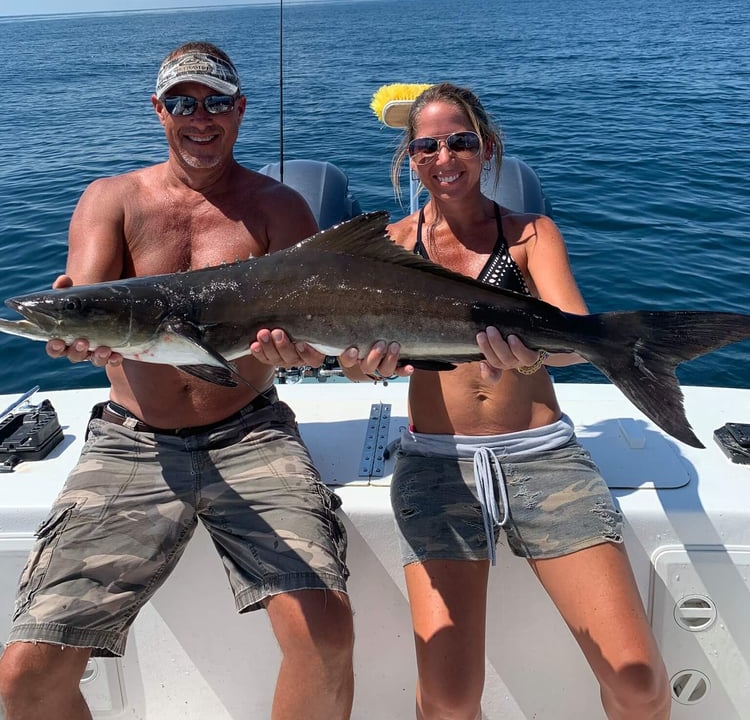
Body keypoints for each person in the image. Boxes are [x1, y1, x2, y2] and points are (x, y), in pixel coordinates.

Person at [0, 42, 357, 720]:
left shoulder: (279, 210)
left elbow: (313, 344)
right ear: (158, 110)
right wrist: (78, 319)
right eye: (182, 102)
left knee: (327, 636)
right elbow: (90, 290)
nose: (201, 117)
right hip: (131, 444)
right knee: (26, 672)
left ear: (240, 110)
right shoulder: (112, 199)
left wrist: (303, 354)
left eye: (216, 101)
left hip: (252, 435)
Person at [353, 82, 671, 720]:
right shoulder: (388, 248)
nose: (446, 158)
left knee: (639, 683)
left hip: (541, 456)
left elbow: (575, 338)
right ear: (409, 159)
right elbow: (359, 359)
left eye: (461, 142)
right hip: (436, 462)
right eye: (428, 146)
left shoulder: (529, 235)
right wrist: (364, 369)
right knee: (446, 699)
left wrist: (533, 354)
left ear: (487, 147)